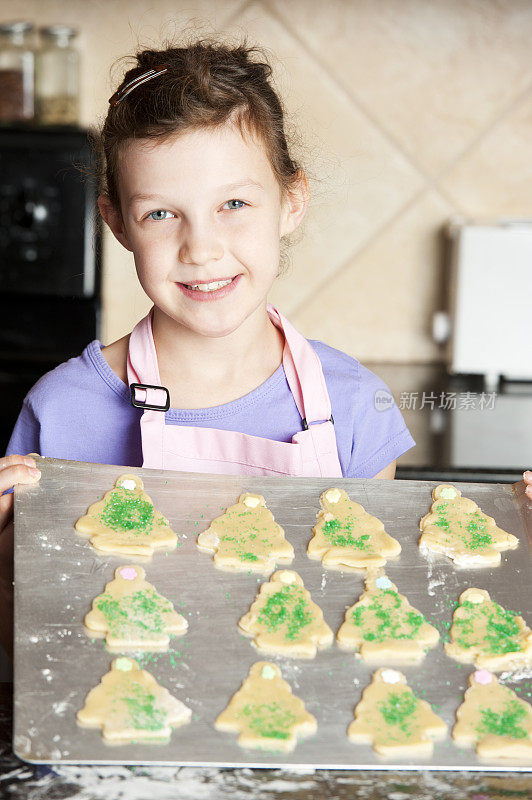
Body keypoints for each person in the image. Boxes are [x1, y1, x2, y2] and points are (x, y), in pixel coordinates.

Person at [1, 38, 531, 660]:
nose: (202, 248)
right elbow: (23, 640)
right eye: (162, 214)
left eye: (234, 204)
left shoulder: (356, 408)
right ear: (116, 223)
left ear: (291, 202)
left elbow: (380, 618)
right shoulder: (65, 409)